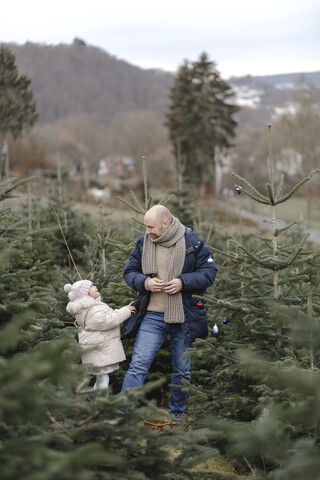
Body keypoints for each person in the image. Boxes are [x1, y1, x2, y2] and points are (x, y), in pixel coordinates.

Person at [120, 205, 217, 416]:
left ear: (166, 223)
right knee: (137, 365)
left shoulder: (194, 243)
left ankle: (177, 416)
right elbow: (129, 272)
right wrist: (145, 283)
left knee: (182, 370)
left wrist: (183, 282)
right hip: (152, 316)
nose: (147, 231)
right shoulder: (143, 243)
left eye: (150, 226)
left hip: (183, 317)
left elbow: (209, 273)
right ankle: (121, 415)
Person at [64, 279, 136, 391]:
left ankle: (95, 401)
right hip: (99, 348)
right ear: (86, 293)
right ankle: (100, 404)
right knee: (103, 378)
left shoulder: (89, 307)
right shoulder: (91, 309)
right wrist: (125, 310)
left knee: (101, 378)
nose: (95, 287)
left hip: (97, 347)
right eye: (91, 286)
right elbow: (107, 321)